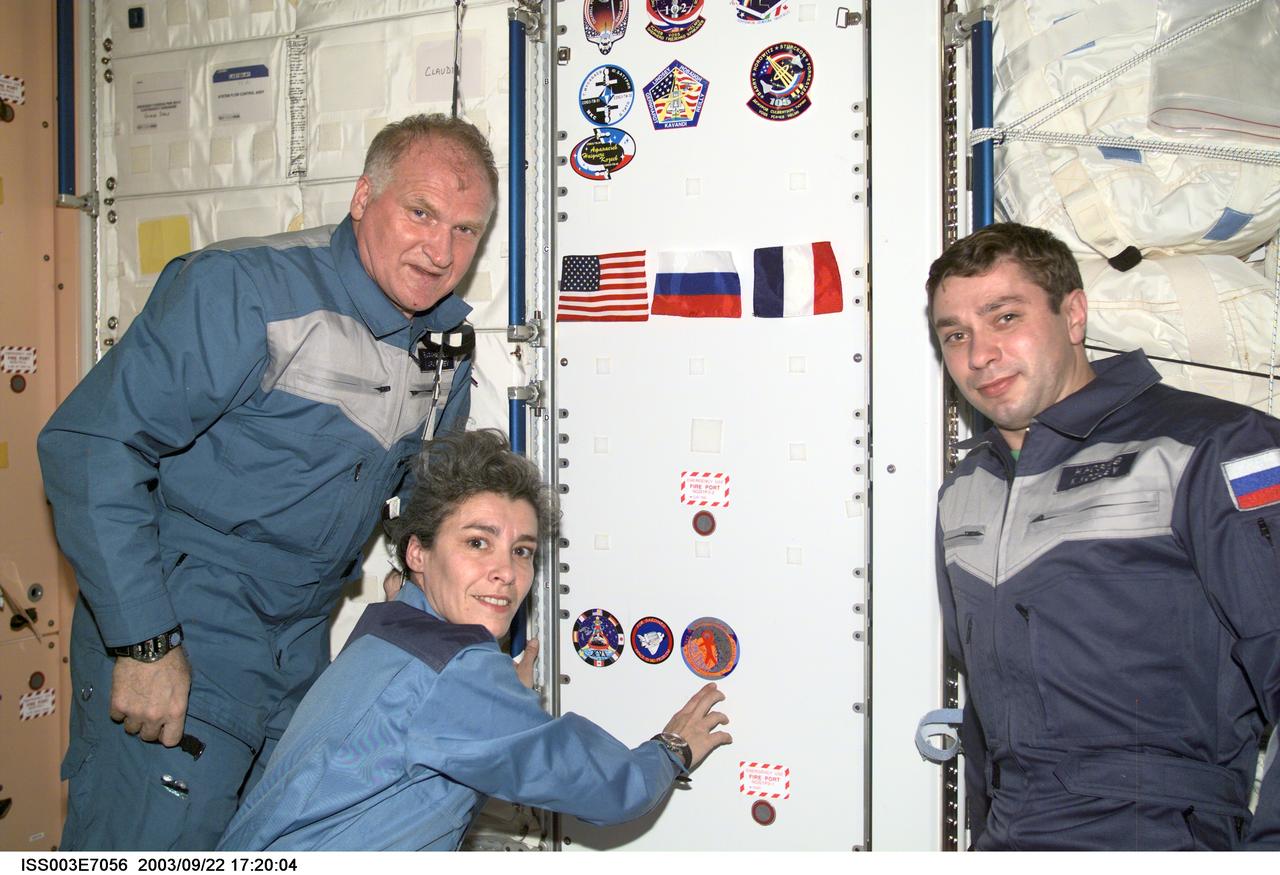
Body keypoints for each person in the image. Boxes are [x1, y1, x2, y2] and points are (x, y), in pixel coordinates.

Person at [37, 113, 496, 850]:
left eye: (467, 229)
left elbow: (427, 503)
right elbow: (90, 446)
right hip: (181, 630)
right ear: (361, 197)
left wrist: (453, 619)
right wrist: (144, 643)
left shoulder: (442, 348)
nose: (441, 250)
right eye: (421, 212)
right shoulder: (245, 291)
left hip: (299, 654)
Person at [928, 222, 1280, 850]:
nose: (978, 356)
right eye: (955, 335)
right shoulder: (965, 490)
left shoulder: (1215, 446)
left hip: (1158, 832)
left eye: (1005, 317)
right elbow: (984, 711)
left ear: (1074, 314)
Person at [217, 429, 732, 851]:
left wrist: (499, 706)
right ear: (417, 553)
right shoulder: (455, 673)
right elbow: (606, 790)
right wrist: (672, 750)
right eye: (477, 543)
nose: (505, 572)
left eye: (523, 551)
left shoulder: (387, 625)